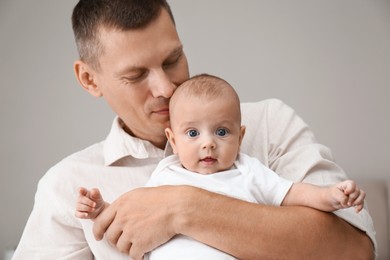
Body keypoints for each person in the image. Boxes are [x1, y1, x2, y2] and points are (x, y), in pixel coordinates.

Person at [13, 0, 376, 259]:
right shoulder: (67, 187)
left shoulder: (270, 125)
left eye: (173, 60)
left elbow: (354, 251)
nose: (166, 89)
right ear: (90, 79)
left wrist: (183, 208)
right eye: (137, 75)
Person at [76, 74, 367, 259]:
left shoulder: (247, 170)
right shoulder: (166, 173)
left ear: (240, 137)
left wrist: (329, 196)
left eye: (222, 132)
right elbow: (134, 220)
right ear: (173, 140)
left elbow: (290, 192)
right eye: (192, 133)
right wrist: (101, 210)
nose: (208, 144)